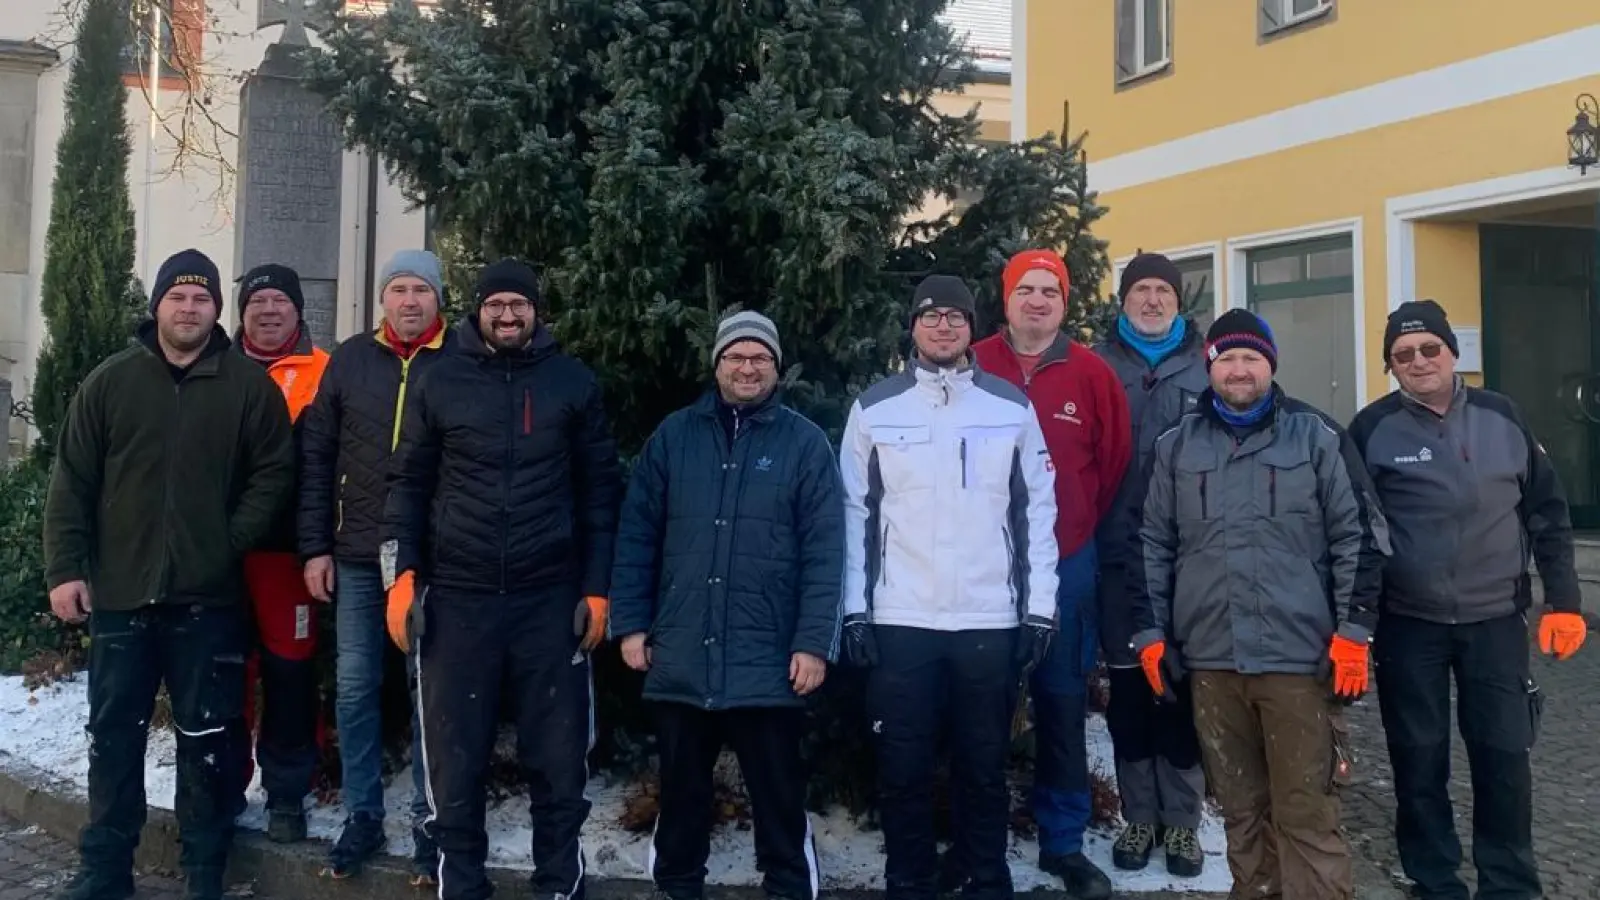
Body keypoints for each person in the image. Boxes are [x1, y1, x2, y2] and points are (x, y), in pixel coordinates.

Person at [43, 249, 296, 900]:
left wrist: (229, 540)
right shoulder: (111, 382)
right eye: (178, 297)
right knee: (113, 738)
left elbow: (275, 473)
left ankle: (204, 873)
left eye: (202, 299)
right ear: (157, 305)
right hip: (122, 596)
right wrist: (65, 568)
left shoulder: (247, 387)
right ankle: (104, 872)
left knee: (208, 741)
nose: (189, 308)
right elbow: (73, 481)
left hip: (207, 602)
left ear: (217, 310)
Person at [383, 258, 623, 900]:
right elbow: (407, 485)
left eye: (520, 305)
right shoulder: (440, 380)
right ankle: (460, 886)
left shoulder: (571, 382)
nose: (508, 315)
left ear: (536, 312)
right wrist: (400, 577)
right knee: (455, 763)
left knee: (559, 759)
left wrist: (597, 588)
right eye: (496, 305)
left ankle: (557, 886)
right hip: (457, 601)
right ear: (477, 310)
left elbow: (600, 492)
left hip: (550, 601)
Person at [1129, 309, 1388, 900]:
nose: (1239, 370)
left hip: (1298, 662)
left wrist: (1355, 631)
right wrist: (1151, 632)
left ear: (1270, 365)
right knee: (1240, 812)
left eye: (1252, 358)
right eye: (1228, 358)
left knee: (1305, 813)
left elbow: (1362, 538)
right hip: (1212, 663)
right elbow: (1151, 543)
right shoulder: (1176, 447)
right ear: (1209, 366)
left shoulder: (1318, 437)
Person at [1350, 299, 1587, 900]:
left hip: (1496, 620)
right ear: (1391, 367)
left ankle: (1508, 883)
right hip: (1410, 624)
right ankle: (1433, 879)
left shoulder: (1503, 415)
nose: (1419, 361)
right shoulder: (1372, 429)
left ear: (1453, 353)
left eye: (1430, 348)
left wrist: (1563, 601)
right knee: (1418, 757)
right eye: (1403, 355)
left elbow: (1548, 513)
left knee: (1504, 755)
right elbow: (1353, 529)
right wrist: (1352, 624)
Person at [610, 310, 844, 900]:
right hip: (683, 652)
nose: (747, 367)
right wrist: (632, 625)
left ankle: (790, 887)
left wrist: (813, 642)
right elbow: (637, 536)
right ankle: (678, 886)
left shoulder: (804, 443)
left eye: (759, 358)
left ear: (776, 367)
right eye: (736, 357)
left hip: (768, 659)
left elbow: (825, 552)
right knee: (682, 794)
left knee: (779, 797)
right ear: (717, 365)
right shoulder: (673, 437)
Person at [840, 275, 1059, 900]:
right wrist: (855, 610)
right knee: (902, 768)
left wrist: (1039, 609)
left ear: (972, 328)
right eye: (930, 317)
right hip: (900, 620)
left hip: (988, 621)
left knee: (983, 766)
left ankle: (984, 875)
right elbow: (851, 514)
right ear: (912, 327)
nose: (943, 327)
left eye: (955, 318)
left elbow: (1037, 510)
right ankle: (908, 878)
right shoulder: (875, 409)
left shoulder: (1010, 409)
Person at [970, 249, 1128, 898]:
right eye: (1025, 289)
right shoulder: (972, 364)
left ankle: (1063, 841)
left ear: (1065, 303)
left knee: (1062, 701)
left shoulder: (1091, 374)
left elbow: (1111, 466)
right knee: (983, 703)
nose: (1037, 300)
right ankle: (981, 841)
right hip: (980, 569)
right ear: (1005, 300)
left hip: (1066, 564)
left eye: (1050, 291)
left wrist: (1074, 529)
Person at [297, 250, 451, 882]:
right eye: (398, 290)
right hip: (357, 553)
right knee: (357, 687)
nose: (409, 301)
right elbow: (316, 456)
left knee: (429, 694)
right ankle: (363, 813)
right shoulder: (349, 362)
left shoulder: (463, 360)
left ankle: (429, 822)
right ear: (382, 300)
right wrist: (313, 547)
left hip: (431, 561)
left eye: (420, 290)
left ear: (439, 299)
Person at [1091, 253, 1209, 876]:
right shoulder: (1097, 363)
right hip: (1116, 554)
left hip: (1191, 559)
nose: (1153, 300)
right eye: (1142, 290)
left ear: (1179, 301)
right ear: (1124, 301)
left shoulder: (1210, 364)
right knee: (1131, 692)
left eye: (1164, 290)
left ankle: (1183, 824)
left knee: (1182, 688)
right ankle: (1140, 816)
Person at [231, 263, 331, 844]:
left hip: (289, 558)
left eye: (280, 301)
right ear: (241, 312)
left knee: (291, 674)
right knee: (223, 674)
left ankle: (287, 792)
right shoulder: (214, 367)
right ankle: (223, 786)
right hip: (220, 554)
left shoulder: (327, 372)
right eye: (257, 301)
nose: (269, 310)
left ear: (298, 311)